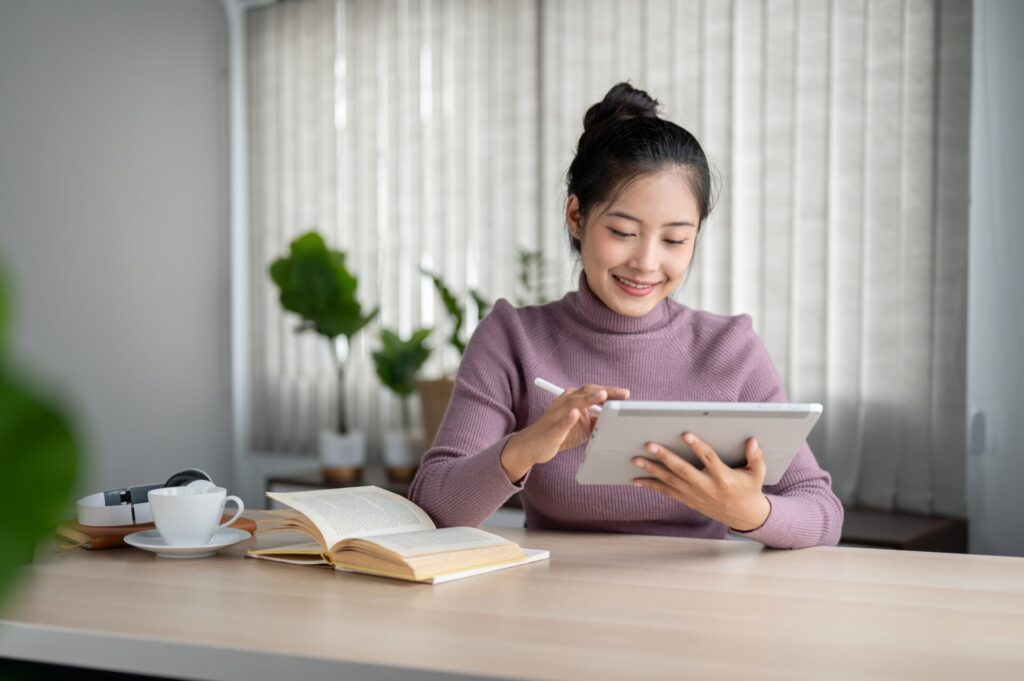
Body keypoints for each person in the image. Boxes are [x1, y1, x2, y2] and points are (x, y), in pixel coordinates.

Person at [408, 83, 843, 549]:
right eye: (622, 231)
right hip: (552, 602)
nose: (646, 262)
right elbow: (433, 508)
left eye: (675, 240)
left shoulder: (729, 350)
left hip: (700, 607)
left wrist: (750, 512)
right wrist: (527, 447)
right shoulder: (513, 339)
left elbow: (822, 513)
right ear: (576, 216)